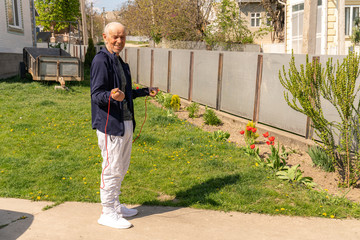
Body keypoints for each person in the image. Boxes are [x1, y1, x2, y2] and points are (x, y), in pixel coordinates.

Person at [90, 22, 157, 229]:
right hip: (112, 125)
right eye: (115, 37)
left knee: (121, 168)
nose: (119, 41)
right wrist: (111, 95)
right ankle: (107, 212)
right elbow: (96, 94)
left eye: (123, 37)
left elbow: (125, 94)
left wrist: (145, 91)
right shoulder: (101, 61)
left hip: (126, 123)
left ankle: (116, 206)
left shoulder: (120, 62)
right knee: (111, 169)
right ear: (105, 37)